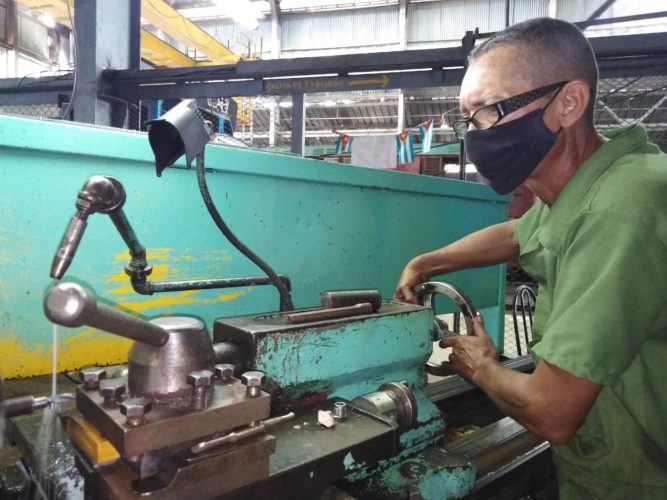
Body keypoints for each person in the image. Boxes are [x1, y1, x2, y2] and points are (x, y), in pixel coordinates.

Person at [393, 17, 667, 499]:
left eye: (489, 111)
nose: (475, 134)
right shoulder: (590, 187)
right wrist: (427, 264)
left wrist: (480, 365)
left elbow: (552, 412)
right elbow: (519, 233)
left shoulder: (618, 209)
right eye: (467, 117)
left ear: (569, 103)